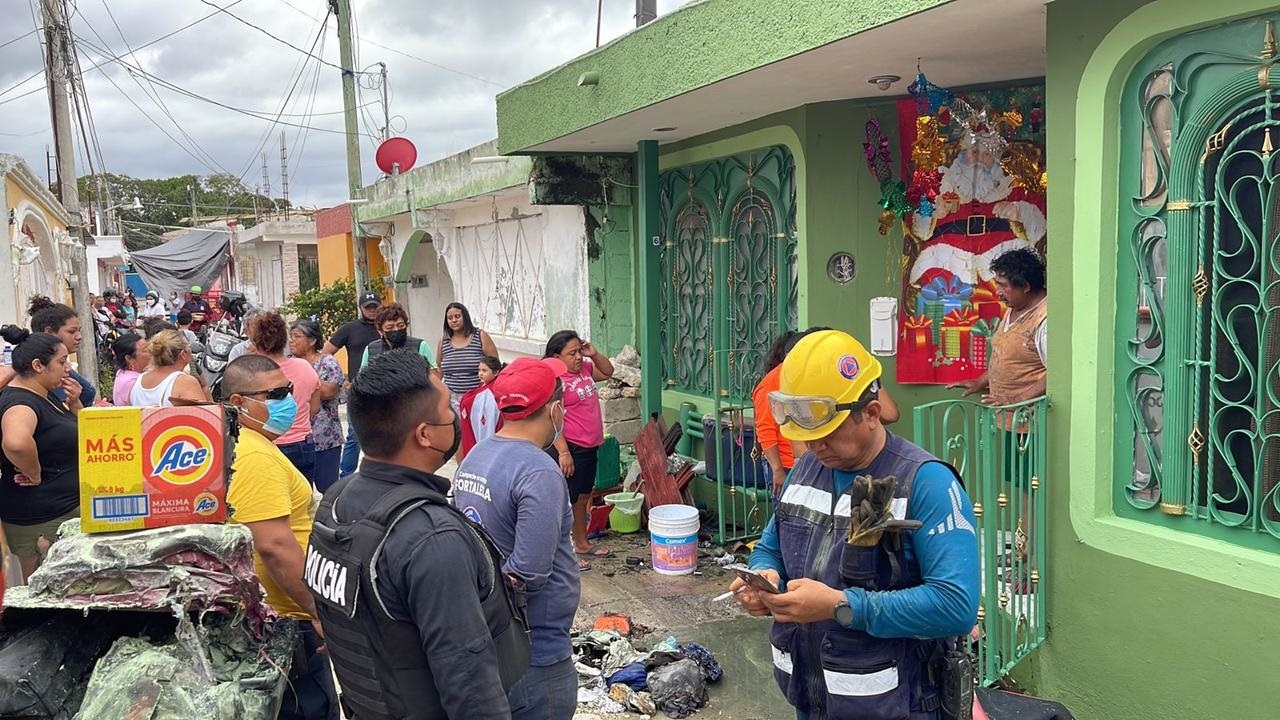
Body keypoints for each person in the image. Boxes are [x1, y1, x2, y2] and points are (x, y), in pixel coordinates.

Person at [733, 330, 979, 720]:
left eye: (826, 433)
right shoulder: (808, 470)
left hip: (896, 706)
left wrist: (839, 606)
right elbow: (772, 547)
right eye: (805, 435)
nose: (813, 447)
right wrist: (763, 579)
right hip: (812, 699)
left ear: (870, 414)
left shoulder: (927, 482)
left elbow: (956, 606)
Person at [305, 349, 531, 719]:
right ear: (425, 434)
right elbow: (471, 686)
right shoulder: (432, 537)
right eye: (447, 410)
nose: (455, 417)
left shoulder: (337, 499)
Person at [453, 357, 580, 719]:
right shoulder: (539, 470)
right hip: (536, 652)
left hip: (492, 641)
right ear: (555, 409)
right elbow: (529, 573)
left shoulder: (478, 454)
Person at [219, 355, 338, 720]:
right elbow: (273, 545)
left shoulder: (256, 444)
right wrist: (317, 611)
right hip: (287, 621)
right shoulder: (255, 456)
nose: (288, 400)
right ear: (239, 403)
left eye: (288, 390)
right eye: (275, 393)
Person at [948, 247, 1046, 591]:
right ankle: (1022, 550)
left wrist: (1016, 398)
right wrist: (980, 382)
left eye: (1004, 285)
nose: (999, 291)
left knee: (1033, 494)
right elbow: (1007, 359)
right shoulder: (1013, 312)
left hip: (1031, 425)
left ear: (1026, 287)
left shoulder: (1045, 317)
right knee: (1020, 491)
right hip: (1009, 421)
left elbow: (1054, 372)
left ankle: (1032, 569)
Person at [0, 326, 82, 580]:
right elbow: (16, 442)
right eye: (61, 361)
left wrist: (75, 404)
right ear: (37, 365)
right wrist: (33, 473)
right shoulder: (21, 402)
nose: (67, 368)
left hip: (60, 512)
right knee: (46, 596)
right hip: (41, 520)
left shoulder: (44, 394)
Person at [543, 330, 614, 561]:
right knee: (565, 500)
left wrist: (593, 354)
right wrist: (563, 452)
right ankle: (562, 551)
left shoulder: (584, 370)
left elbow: (608, 371)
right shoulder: (555, 381)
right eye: (572, 353)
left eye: (579, 351)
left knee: (583, 497)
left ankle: (582, 544)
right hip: (570, 447)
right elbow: (551, 419)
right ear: (556, 357)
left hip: (589, 446)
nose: (578, 357)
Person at [249, 312, 321, 484]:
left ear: (256, 343)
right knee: (303, 500)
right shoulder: (304, 367)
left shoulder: (252, 374)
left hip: (267, 445)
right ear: (284, 340)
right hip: (302, 444)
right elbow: (315, 408)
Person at [324, 291, 383, 478]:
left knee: (385, 434)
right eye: (368, 307)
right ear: (361, 308)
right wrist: (341, 379)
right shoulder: (350, 329)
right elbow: (325, 354)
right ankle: (346, 475)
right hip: (357, 390)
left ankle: (380, 474)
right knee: (354, 435)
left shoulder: (388, 328)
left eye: (375, 306)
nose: (372, 310)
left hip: (386, 389)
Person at [290, 319, 344, 492]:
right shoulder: (290, 363)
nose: (291, 340)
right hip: (296, 438)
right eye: (290, 336)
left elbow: (329, 391)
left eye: (297, 336)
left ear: (312, 341)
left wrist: (304, 379)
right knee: (299, 491)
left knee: (328, 488)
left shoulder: (327, 362)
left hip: (325, 439)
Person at [27, 296, 96, 407]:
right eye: (72, 331)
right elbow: (62, 413)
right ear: (49, 331)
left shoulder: (62, 365)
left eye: (79, 331)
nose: (79, 337)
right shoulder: (48, 369)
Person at [437, 302, 498, 405]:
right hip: (451, 399)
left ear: (465, 317)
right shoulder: (444, 341)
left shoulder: (480, 336)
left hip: (478, 397)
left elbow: (494, 364)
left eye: (457, 316)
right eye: (450, 318)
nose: (454, 320)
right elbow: (439, 367)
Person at [129, 330, 210, 407]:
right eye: (188, 347)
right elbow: (204, 417)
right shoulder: (185, 382)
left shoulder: (139, 380)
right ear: (183, 354)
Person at [358, 302, 435, 371]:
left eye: (400, 325)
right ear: (380, 331)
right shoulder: (371, 349)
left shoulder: (420, 346)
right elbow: (363, 378)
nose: (396, 329)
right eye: (390, 327)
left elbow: (434, 374)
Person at [457, 356, 503, 461]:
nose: (480, 373)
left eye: (484, 370)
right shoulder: (483, 387)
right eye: (479, 370)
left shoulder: (490, 393)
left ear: (496, 372)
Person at [110, 332, 150, 406]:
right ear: (129, 358)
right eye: (145, 350)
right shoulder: (132, 382)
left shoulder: (123, 373)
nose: (151, 352)